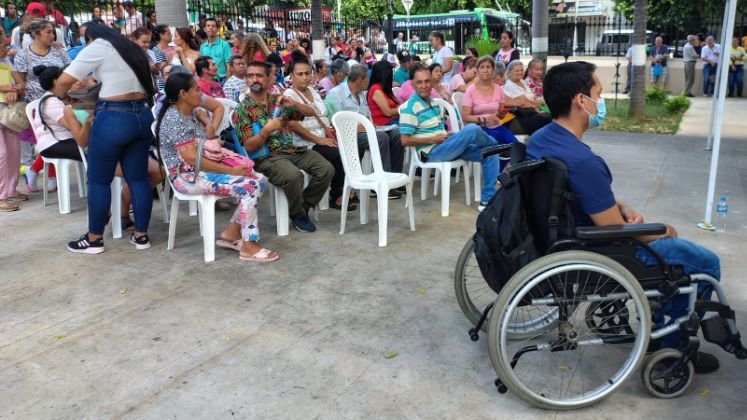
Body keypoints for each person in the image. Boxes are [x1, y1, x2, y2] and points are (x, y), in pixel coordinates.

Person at [527, 61, 721, 374]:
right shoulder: (584, 161)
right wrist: (660, 232)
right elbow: (613, 228)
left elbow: (571, 192)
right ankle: (671, 346)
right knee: (704, 263)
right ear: (580, 100)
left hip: (557, 233)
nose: (600, 102)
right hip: (596, 249)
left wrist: (620, 204)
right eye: (598, 94)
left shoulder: (541, 139)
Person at [52, 24, 157, 254]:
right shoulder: (131, 48)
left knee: (99, 180)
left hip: (114, 116)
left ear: (90, 38)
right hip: (142, 114)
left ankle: (94, 238)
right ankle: (141, 236)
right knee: (138, 178)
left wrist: (62, 96)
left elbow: (63, 81)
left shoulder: (99, 45)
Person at [156, 72, 277, 262]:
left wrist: (207, 123)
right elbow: (191, 159)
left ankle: (231, 233)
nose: (201, 93)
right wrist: (231, 170)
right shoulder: (174, 120)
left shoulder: (190, 110)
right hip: (186, 176)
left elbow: (215, 108)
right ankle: (249, 245)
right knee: (249, 186)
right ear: (183, 94)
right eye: (196, 89)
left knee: (258, 179)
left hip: (201, 169)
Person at [232, 61, 334, 233]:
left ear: (269, 78)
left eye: (259, 75)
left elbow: (309, 113)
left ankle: (302, 207)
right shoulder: (242, 110)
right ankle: (298, 214)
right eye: (250, 76)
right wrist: (265, 132)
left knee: (326, 169)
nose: (254, 79)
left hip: (292, 150)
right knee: (293, 175)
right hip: (265, 157)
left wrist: (294, 104)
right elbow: (249, 147)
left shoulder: (277, 101)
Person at [399, 65, 500, 209]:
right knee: (472, 129)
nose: (424, 86)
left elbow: (441, 130)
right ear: (412, 84)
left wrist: (449, 137)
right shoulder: (410, 107)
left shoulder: (434, 103)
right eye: (419, 82)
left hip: (445, 146)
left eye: (427, 81)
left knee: (490, 154)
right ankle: (498, 146)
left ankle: (487, 200)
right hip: (431, 152)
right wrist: (433, 139)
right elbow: (405, 140)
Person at [283, 59, 354, 211]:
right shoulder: (289, 96)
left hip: (323, 135)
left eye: (307, 73)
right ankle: (337, 194)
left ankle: (349, 188)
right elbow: (293, 125)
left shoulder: (313, 91)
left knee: (351, 147)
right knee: (337, 153)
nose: (304, 77)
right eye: (300, 74)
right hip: (305, 143)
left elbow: (322, 115)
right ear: (291, 76)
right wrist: (319, 140)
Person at [325, 64, 405, 200]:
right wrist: (367, 127)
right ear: (361, 79)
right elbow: (338, 122)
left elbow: (367, 117)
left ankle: (393, 178)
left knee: (396, 134)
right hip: (347, 135)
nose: (368, 81)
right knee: (381, 137)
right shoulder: (336, 94)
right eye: (366, 79)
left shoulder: (361, 95)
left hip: (365, 131)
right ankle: (381, 183)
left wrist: (370, 126)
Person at [460, 56, 517, 150]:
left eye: (488, 67)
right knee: (497, 145)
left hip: (497, 126)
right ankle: (498, 164)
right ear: (477, 71)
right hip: (480, 129)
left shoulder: (498, 89)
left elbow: (500, 116)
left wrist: (501, 114)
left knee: (515, 146)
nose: (485, 70)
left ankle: (509, 164)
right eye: (482, 67)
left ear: (493, 70)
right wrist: (485, 119)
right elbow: (465, 116)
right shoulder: (471, 90)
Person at [0, 30, 24, 211]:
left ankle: (12, 189)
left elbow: (20, 82)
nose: (7, 49)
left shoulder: (6, 61)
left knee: (14, 152)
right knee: (2, 154)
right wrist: (4, 87)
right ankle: (1, 197)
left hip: (9, 112)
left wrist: (15, 88)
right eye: (3, 46)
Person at [502, 60, 551, 135]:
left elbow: (533, 98)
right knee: (548, 117)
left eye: (521, 70)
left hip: (532, 111)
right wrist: (543, 102)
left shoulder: (522, 81)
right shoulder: (510, 85)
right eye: (517, 71)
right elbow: (527, 103)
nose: (520, 72)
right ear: (510, 72)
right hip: (521, 116)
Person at [199, 18, 232, 84]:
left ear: (217, 29)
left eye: (213, 26)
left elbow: (229, 65)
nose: (211, 28)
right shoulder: (202, 46)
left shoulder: (224, 44)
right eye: (208, 26)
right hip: (207, 81)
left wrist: (227, 83)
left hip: (221, 81)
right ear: (205, 29)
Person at [367, 60, 400, 126]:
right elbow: (388, 113)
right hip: (384, 123)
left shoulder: (385, 88)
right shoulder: (376, 89)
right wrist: (402, 109)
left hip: (393, 120)